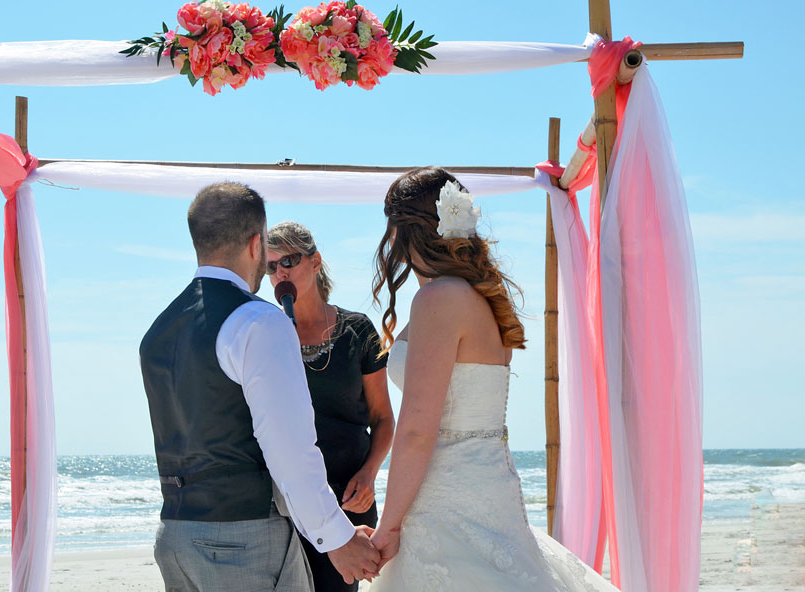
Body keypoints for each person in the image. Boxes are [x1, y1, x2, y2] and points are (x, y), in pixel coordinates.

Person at [367, 167, 618, 591]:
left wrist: (387, 526)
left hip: (445, 499)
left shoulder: (438, 299)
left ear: (402, 230)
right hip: (488, 488)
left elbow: (416, 431)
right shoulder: (480, 297)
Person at [140, 183, 381, 591]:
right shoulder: (259, 321)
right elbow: (289, 449)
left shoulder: (157, 331)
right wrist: (338, 538)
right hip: (243, 542)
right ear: (256, 245)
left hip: (175, 537)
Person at [267, 222, 396, 592]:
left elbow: (383, 419)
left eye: (289, 261)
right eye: (270, 266)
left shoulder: (359, 331)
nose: (280, 273)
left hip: (348, 500)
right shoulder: (267, 334)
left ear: (315, 261)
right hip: (286, 502)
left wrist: (369, 474)